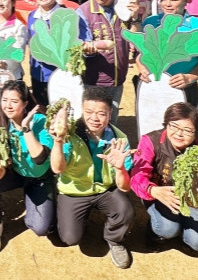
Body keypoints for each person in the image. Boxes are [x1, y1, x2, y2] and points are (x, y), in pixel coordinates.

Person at [52, 87, 135, 269]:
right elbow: (57, 168)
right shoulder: (69, 134)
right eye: (89, 112)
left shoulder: (119, 138)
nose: (94, 118)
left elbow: (124, 188)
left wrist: (120, 168)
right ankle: (70, 214)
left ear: (110, 113)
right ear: (82, 110)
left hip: (105, 190)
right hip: (74, 191)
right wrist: (58, 142)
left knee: (125, 210)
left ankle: (114, 240)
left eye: (101, 113)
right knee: (70, 238)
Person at [131, 102, 198, 264]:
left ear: (196, 133)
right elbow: (137, 176)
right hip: (158, 194)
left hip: (191, 200)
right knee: (166, 228)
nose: (179, 133)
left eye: (187, 130)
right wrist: (153, 191)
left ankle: (183, 236)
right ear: (166, 124)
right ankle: (154, 234)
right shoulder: (151, 141)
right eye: (174, 126)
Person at [0, 80, 54, 254]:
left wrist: (26, 129)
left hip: (39, 178)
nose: (8, 105)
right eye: (4, 100)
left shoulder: (40, 121)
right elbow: (0, 165)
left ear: (25, 104)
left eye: (14, 101)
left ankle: (41, 206)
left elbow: (40, 159)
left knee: (40, 228)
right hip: (15, 174)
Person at [140, 0, 198, 106]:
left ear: (186, 0)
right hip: (153, 87)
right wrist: (142, 68)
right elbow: (141, 55)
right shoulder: (149, 23)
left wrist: (189, 77)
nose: (168, 4)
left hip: (185, 88)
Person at [77, 0, 137, 114]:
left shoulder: (123, 10)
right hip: (93, 82)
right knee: (94, 122)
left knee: (112, 120)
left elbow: (135, 40)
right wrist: (88, 52)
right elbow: (81, 48)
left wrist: (135, 18)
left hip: (117, 80)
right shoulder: (82, 12)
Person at [27, 0, 65, 107]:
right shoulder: (32, 16)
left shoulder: (64, 16)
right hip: (37, 74)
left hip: (59, 74)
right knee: (41, 108)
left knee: (59, 110)